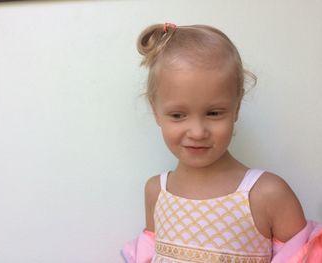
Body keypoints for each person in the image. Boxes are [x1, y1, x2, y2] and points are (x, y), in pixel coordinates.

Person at [122, 23, 321, 263]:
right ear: (156, 111)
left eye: (214, 113)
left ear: (236, 108)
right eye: (177, 115)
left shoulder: (267, 194)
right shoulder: (156, 191)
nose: (197, 132)